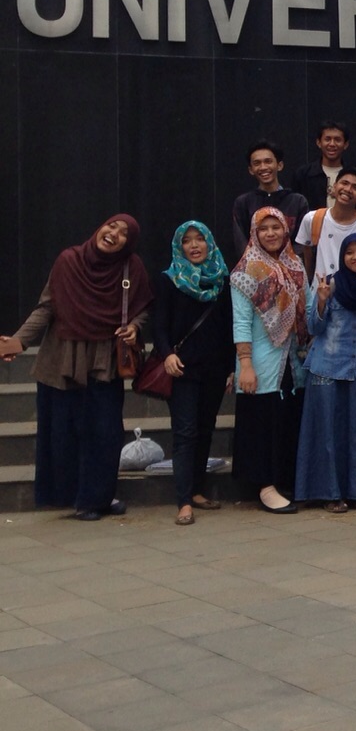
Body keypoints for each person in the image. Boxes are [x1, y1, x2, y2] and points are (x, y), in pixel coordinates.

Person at [1, 215, 151, 520]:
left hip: (104, 361)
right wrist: (19, 341)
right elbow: (47, 307)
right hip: (63, 358)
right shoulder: (68, 261)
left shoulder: (131, 267)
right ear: (100, 227)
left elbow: (143, 307)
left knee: (105, 432)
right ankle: (74, 498)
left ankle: (97, 499)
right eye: (111, 226)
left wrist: (135, 327)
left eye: (123, 233)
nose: (114, 234)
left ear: (129, 243)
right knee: (64, 432)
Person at [151, 222, 234, 525]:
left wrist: (231, 367)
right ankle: (184, 501)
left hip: (214, 368)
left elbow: (228, 325)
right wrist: (167, 354)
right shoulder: (169, 279)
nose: (194, 245)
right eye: (187, 241)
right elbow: (159, 324)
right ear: (179, 246)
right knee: (185, 433)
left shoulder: (222, 279)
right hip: (182, 367)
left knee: (205, 429)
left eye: (200, 239)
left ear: (209, 243)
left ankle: (198, 491)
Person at [295, 232, 356, 511]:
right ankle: (330, 494)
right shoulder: (330, 284)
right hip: (327, 368)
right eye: (349, 252)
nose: (355, 257)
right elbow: (314, 328)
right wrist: (321, 301)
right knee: (328, 434)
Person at [231, 207, 308, 514]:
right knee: (261, 424)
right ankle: (265, 487)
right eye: (263, 229)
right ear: (254, 233)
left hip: (293, 361)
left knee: (285, 421)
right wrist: (245, 365)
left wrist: (322, 301)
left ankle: (283, 481)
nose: (271, 233)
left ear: (285, 230)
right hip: (260, 363)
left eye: (276, 227)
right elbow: (240, 322)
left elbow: (307, 310)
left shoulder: (295, 265)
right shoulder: (246, 271)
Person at [231, 141, 309, 258]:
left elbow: (302, 242)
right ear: (251, 170)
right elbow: (241, 242)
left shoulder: (297, 202)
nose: (263, 167)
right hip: (254, 267)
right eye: (257, 163)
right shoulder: (243, 203)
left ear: (279, 165)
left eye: (268, 161)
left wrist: (286, 263)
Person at [294, 166, 356, 278]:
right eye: (344, 183)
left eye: (355, 187)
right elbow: (306, 257)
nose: (348, 189)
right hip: (319, 287)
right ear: (334, 186)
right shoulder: (312, 218)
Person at [289, 120, 354, 209]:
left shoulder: (353, 176)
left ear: (345, 144)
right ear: (319, 143)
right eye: (327, 139)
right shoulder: (303, 174)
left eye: (337, 140)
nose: (332, 144)